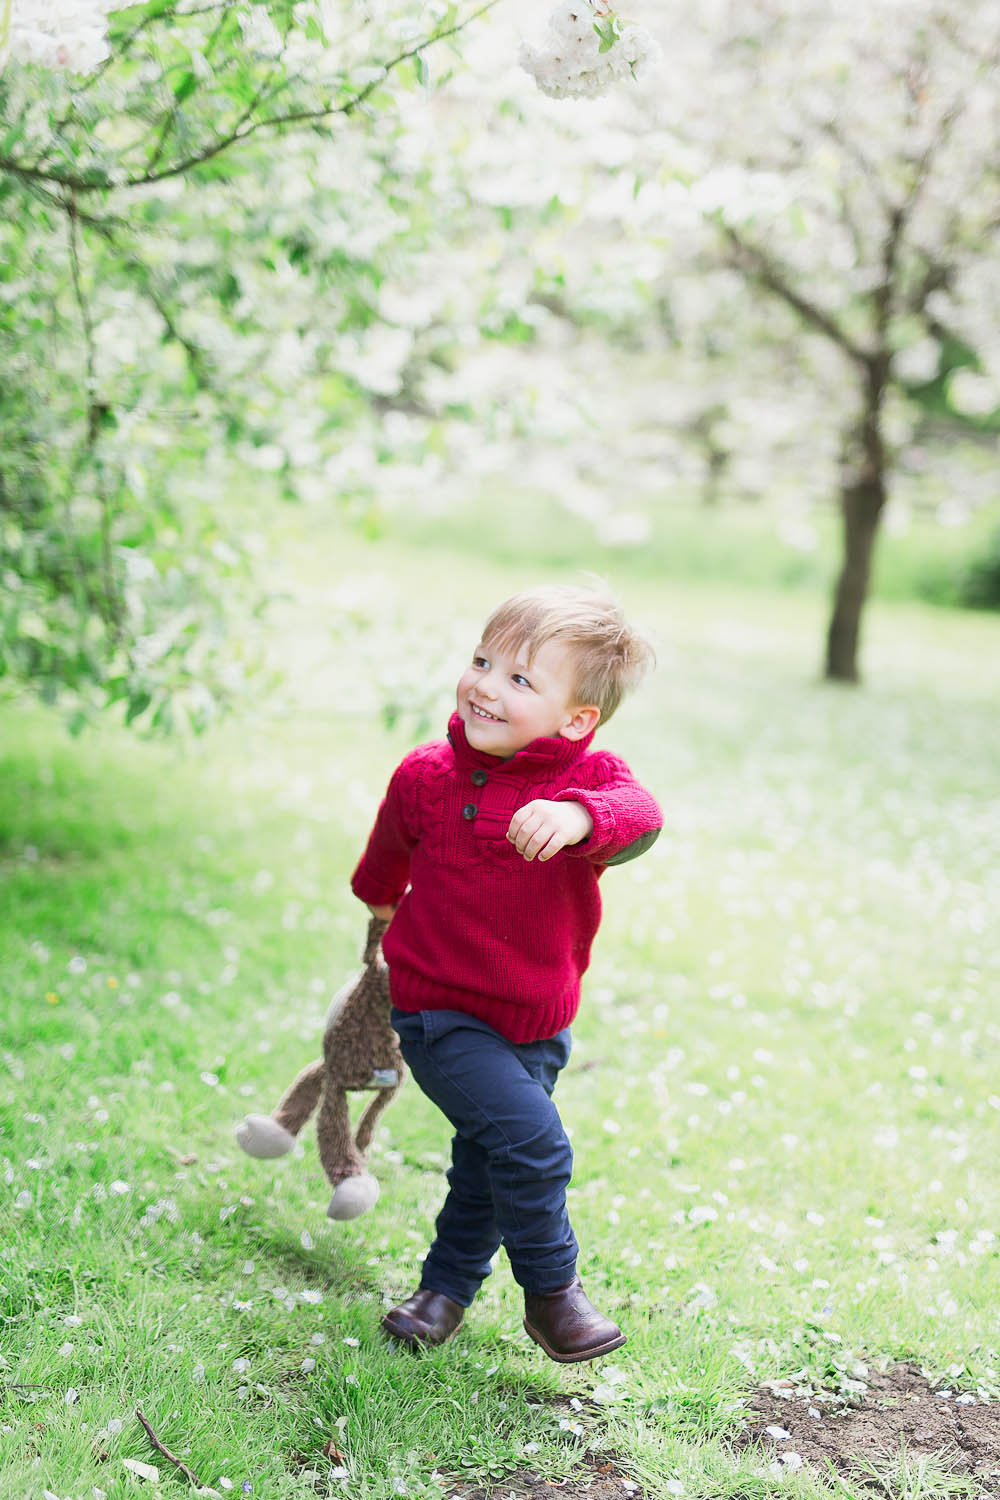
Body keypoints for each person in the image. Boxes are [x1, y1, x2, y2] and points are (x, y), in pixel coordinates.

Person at [351, 583, 662, 1362]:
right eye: (483, 661)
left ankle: (443, 1293)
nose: (485, 686)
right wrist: (380, 921)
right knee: (533, 1143)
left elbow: (641, 816)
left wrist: (580, 817)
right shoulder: (426, 776)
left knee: (489, 1159)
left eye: (521, 679)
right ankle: (553, 1298)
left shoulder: (587, 786)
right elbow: (385, 863)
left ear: (576, 719)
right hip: (440, 1012)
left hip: (537, 1019)